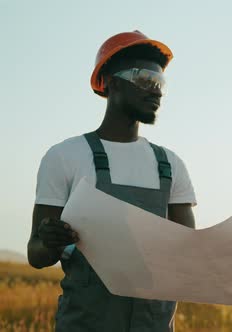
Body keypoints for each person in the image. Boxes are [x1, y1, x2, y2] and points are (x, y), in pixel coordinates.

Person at [27, 30, 196, 332]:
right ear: (112, 82)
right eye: (146, 79)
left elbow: (187, 252)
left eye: (161, 84)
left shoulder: (170, 165)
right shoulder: (65, 156)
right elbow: (36, 254)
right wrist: (50, 243)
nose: (156, 91)